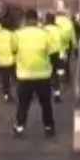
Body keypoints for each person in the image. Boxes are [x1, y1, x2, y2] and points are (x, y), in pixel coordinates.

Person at [11, 9, 56, 138]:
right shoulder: (45, 34)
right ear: (37, 20)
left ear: (25, 20)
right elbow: (52, 51)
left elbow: (13, 49)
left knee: (23, 104)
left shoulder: (17, 34)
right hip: (43, 75)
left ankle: (20, 127)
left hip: (24, 75)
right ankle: (49, 127)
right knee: (45, 104)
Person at [0, 12, 17, 102]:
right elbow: (15, 47)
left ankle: (6, 95)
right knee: (16, 78)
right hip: (10, 60)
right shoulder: (12, 35)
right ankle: (22, 93)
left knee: (5, 79)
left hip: (0, 60)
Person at [43, 12, 66, 103]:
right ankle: (57, 95)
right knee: (56, 76)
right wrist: (63, 54)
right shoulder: (59, 30)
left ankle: (45, 95)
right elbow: (63, 42)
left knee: (46, 75)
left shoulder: (43, 29)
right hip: (57, 54)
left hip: (46, 54)